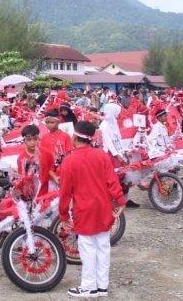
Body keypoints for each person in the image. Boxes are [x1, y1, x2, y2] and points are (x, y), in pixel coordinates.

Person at [59, 121, 126, 298]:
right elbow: (112, 181)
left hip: (84, 210)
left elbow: (65, 192)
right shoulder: (102, 155)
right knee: (103, 247)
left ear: (75, 137)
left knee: (87, 248)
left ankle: (89, 287)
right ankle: (102, 286)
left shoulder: (69, 160)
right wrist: (120, 200)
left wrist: (64, 214)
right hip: (104, 208)